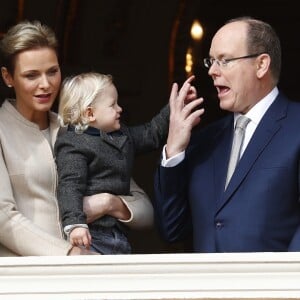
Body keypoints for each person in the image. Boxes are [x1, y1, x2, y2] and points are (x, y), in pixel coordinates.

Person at [0, 20, 155, 256]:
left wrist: (108, 203)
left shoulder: (81, 130)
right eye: (31, 75)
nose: (46, 84)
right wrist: (70, 255)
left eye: (52, 71)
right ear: (8, 77)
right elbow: (3, 218)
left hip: (87, 277)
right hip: (28, 281)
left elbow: (144, 211)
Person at [154, 16, 300, 252]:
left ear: (261, 65)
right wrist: (174, 151)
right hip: (207, 287)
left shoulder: (296, 126)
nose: (212, 71)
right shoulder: (203, 141)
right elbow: (172, 229)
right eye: (211, 61)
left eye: (224, 60)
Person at [55, 72, 195, 254]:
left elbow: (151, 133)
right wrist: (75, 224)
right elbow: (70, 185)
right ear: (89, 113)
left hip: (118, 235)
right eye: (112, 105)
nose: (120, 109)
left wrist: (174, 107)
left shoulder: (122, 136)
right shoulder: (73, 144)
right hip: (91, 236)